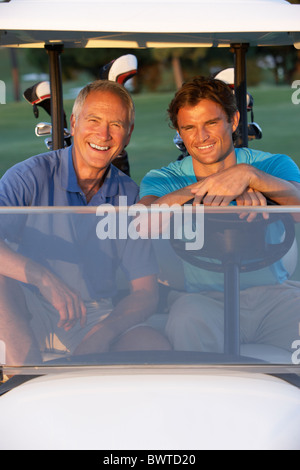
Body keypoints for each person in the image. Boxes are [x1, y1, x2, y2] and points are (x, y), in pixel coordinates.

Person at [0, 79, 170, 365]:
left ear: (127, 135)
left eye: (115, 124)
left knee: (152, 345)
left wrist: (100, 335)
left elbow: (145, 293)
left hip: (90, 314)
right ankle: (23, 380)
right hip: (28, 308)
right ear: (75, 123)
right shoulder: (29, 175)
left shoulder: (128, 193)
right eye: (93, 120)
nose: (103, 134)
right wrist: (44, 278)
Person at [139, 76, 300, 354]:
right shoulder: (165, 178)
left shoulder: (271, 165)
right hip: (203, 300)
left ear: (234, 121)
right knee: (186, 319)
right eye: (188, 127)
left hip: (274, 296)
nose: (200, 137)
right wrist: (211, 187)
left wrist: (249, 175)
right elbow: (143, 224)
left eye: (211, 123)